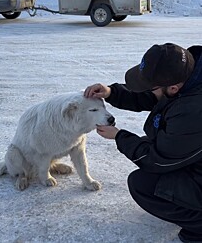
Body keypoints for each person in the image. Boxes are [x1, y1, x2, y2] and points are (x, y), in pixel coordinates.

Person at [84, 43, 202, 243]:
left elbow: (158, 159)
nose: (149, 91)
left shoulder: (194, 110)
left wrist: (119, 136)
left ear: (173, 87)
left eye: (151, 87)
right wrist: (112, 92)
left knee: (143, 185)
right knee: (154, 142)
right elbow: (154, 97)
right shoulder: (188, 73)